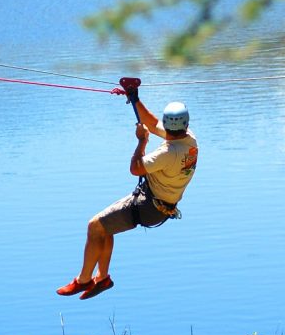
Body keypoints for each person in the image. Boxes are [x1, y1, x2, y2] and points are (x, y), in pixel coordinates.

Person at [56, 90, 198, 299]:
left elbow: (136, 168)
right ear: (185, 125)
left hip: (149, 206)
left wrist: (141, 142)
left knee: (94, 226)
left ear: (169, 126)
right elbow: (152, 123)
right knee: (105, 228)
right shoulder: (190, 141)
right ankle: (102, 278)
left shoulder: (168, 153)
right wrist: (134, 98)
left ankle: (83, 280)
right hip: (159, 206)